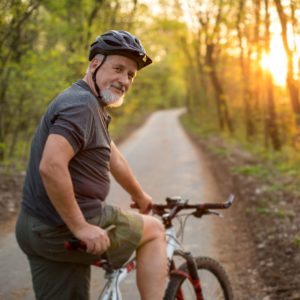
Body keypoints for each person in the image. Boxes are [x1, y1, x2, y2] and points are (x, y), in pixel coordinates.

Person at [15, 30, 167, 300]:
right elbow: (51, 165)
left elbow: (113, 156)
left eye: (130, 75)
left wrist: (140, 196)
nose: (124, 80)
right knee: (154, 231)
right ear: (95, 64)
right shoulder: (82, 106)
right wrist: (80, 227)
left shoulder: (88, 103)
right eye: (118, 69)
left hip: (35, 226)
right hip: (62, 226)